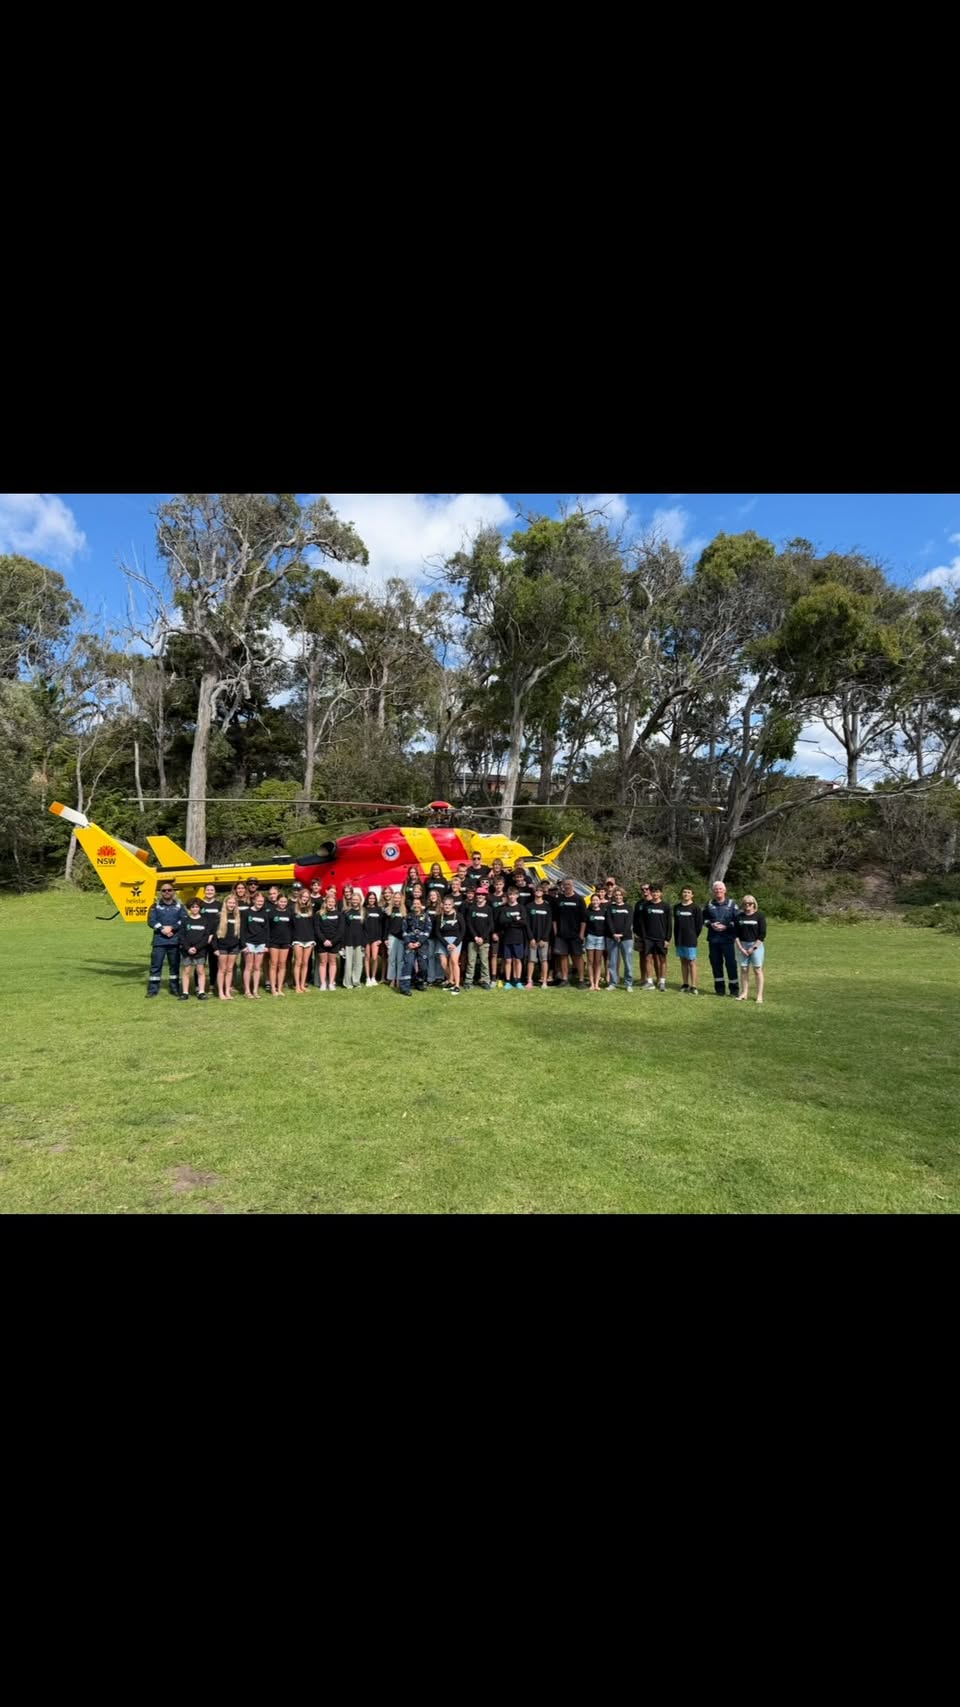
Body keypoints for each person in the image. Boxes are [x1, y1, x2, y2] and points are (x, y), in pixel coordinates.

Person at [146, 880, 186, 997]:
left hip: (174, 941)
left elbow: (184, 919)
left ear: (173, 892)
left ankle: (174, 989)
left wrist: (172, 928)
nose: (167, 892)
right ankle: (153, 990)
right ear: (161, 893)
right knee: (156, 966)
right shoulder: (155, 906)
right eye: (164, 890)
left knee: (174, 966)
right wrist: (162, 929)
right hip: (159, 941)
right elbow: (151, 920)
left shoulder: (180, 906)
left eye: (169, 890)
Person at [703, 880, 740, 997]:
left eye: (720, 889)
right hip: (713, 940)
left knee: (731, 964)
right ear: (713, 891)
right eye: (716, 889)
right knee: (716, 963)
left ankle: (734, 990)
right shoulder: (709, 904)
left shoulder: (732, 904)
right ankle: (720, 989)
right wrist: (711, 924)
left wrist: (726, 926)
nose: (718, 891)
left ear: (725, 890)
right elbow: (703, 920)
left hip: (728, 939)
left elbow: (738, 921)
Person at [553, 879, 587, 987]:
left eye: (569, 884)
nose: (567, 886)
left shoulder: (579, 899)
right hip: (562, 934)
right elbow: (554, 918)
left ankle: (581, 980)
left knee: (578, 956)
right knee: (563, 957)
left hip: (575, 934)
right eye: (565, 884)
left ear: (573, 885)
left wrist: (581, 934)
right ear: (562, 886)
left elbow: (584, 919)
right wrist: (555, 932)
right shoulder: (559, 899)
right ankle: (565, 979)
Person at [179, 897, 212, 1000]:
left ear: (199, 908)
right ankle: (185, 993)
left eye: (197, 907)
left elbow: (206, 937)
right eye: (192, 907)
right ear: (189, 908)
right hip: (186, 951)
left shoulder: (205, 921)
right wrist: (188, 948)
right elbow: (182, 936)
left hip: (200, 950)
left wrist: (197, 948)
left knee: (201, 971)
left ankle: (201, 992)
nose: (195, 909)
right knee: (186, 971)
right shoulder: (185, 921)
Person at [640, 884, 672, 990]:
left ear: (661, 893)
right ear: (650, 893)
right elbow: (642, 923)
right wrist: (644, 937)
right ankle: (649, 982)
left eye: (657, 891)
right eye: (653, 891)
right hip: (648, 938)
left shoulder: (666, 906)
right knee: (648, 958)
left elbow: (669, 924)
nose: (655, 893)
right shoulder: (646, 906)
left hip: (661, 938)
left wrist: (667, 938)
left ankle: (662, 982)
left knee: (662, 959)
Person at [736, 895, 767, 1002]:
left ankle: (759, 995)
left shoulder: (759, 916)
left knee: (757, 969)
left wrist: (753, 948)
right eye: (745, 904)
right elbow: (735, 935)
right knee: (744, 969)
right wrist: (741, 948)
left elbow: (762, 934)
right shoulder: (739, 916)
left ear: (754, 904)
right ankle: (744, 993)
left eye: (750, 903)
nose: (747, 905)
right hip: (742, 945)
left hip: (756, 945)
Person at [673, 887, 703, 994]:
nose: (686, 894)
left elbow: (699, 925)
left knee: (691, 962)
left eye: (688, 892)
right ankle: (685, 983)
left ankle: (693, 986)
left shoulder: (696, 908)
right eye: (684, 892)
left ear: (692, 895)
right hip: (680, 938)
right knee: (683, 961)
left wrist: (693, 936)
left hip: (690, 939)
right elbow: (676, 924)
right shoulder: (676, 907)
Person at [498, 886, 529, 989]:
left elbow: (524, 922)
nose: (511, 897)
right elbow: (502, 921)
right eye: (510, 895)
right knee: (508, 960)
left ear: (517, 896)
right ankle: (507, 981)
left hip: (518, 937)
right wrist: (515, 919)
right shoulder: (504, 908)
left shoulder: (521, 907)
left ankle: (518, 980)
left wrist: (510, 920)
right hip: (507, 937)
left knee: (517, 960)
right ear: (507, 896)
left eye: (513, 895)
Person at [241, 889, 270, 998]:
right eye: (258, 901)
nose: (260, 903)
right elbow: (242, 930)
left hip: (261, 944)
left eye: (262, 901)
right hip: (249, 943)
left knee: (258, 967)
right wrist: (243, 945)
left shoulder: (264, 913)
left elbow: (267, 930)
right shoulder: (246, 913)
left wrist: (266, 945)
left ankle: (255, 991)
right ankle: (247, 991)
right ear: (254, 900)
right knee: (249, 967)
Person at [466, 886, 494, 990]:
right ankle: (468, 981)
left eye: (482, 895)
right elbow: (469, 923)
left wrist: (482, 937)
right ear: (476, 896)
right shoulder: (471, 908)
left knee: (484, 962)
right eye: (478, 895)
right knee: (471, 961)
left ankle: (485, 980)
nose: (480, 896)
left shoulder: (489, 909)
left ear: (486, 896)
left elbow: (490, 925)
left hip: (484, 940)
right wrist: (475, 937)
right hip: (472, 940)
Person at [398, 898, 428, 995]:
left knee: (423, 966)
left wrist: (419, 942)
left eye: (418, 903)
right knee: (409, 964)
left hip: (421, 945)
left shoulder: (426, 916)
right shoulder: (407, 916)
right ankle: (404, 988)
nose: (416, 905)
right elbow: (404, 931)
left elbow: (428, 931)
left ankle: (419, 983)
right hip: (409, 944)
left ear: (421, 905)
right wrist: (408, 943)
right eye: (414, 903)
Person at [525, 887, 553, 989]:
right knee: (531, 960)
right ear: (534, 892)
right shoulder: (529, 906)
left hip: (544, 939)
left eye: (541, 890)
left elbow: (549, 923)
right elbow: (526, 924)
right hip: (532, 939)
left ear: (543, 892)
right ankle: (529, 981)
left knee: (544, 960)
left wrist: (544, 938)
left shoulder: (547, 907)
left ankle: (544, 981)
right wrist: (531, 938)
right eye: (537, 890)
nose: (538, 892)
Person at [606, 887, 633, 991]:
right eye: (616, 895)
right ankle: (613, 982)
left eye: (620, 895)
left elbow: (629, 922)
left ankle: (628, 983)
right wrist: (614, 934)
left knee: (628, 961)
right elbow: (609, 921)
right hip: (612, 938)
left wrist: (622, 934)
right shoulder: (610, 907)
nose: (618, 897)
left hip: (626, 939)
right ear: (614, 896)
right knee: (612, 961)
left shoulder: (629, 907)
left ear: (623, 896)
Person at [216, 893, 242, 999]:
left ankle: (227, 992)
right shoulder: (219, 916)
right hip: (222, 946)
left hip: (234, 947)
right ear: (225, 903)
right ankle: (221, 992)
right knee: (222, 969)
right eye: (229, 902)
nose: (231, 904)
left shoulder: (237, 916)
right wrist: (215, 948)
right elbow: (213, 934)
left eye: (233, 903)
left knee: (230, 969)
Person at [267, 891, 294, 996]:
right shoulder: (271, 913)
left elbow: (291, 928)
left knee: (282, 965)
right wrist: (267, 943)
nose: (283, 903)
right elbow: (267, 929)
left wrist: (290, 940)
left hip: (285, 942)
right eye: (281, 901)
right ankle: (273, 988)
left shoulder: (289, 913)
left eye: (285, 902)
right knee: (274, 964)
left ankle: (280, 988)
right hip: (274, 942)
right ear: (277, 902)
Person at [315, 893, 343, 991]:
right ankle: (323, 983)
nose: (330, 903)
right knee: (323, 962)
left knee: (332, 962)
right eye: (329, 902)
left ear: (335, 903)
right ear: (325, 902)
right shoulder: (319, 913)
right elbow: (317, 928)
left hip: (334, 943)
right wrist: (324, 940)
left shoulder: (339, 914)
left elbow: (340, 930)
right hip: (322, 942)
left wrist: (333, 941)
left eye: (332, 902)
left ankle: (331, 983)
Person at [436, 894, 464, 992]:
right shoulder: (440, 917)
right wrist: (446, 944)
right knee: (443, 963)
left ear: (452, 905)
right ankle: (450, 981)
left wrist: (455, 944)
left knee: (454, 961)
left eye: (449, 904)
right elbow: (437, 932)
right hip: (443, 941)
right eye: (445, 904)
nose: (447, 906)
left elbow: (463, 930)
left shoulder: (459, 916)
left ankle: (457, 985)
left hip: (455, 941)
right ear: (443, 905)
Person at [291, 891, 316, 993]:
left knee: (306, 963)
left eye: (307, 897)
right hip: (298, 939)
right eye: (303, 896)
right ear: (300, 896)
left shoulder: (310, 909)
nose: (305, 898)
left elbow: (313, 925)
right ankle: (297, 986)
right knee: (298, 962)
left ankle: (302, 985)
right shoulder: (293, 908)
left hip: (309, 939)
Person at [585, 891, 610, 991]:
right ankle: (591, 983)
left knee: (598, 961)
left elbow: (607, 925)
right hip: (590, 938)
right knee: (590, 961)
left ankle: (597, 983)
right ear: (591, 901)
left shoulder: (604, 912)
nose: (595, 902)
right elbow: (584, 925)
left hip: (601, 938)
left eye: (597, 900)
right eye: (593, 900)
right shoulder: (588, 912)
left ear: (600, 901)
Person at [340, 894, 366, 988]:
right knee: (348, 964)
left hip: (359, 942)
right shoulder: (346, 912)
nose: (355, 901)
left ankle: (356, 981)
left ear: (360, 901)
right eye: (353, 899)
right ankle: (347, 983)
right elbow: (343, 928)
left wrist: (364, 943)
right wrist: (342, 944)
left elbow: (364, 929)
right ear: (351, 900)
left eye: (357, 899)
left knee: (358, 963)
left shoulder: (363, 912)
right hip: (348, 941)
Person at [199, 883, 220, 989]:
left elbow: (221, 922)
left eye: (212, 890)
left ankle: (212, 984)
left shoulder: (219, 905)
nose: (209, 892)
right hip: (201, 938)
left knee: (213, 963)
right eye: (207, 890)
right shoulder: (200, 904)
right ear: (204, 891)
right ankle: (198, 986)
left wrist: (212, 935)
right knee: (200, 962)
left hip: (214, 939)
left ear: (215, 892)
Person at [384, 890, 406, 989]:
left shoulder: (404, 911)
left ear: (401, 899)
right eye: (395, 898)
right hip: (391, 937)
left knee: (400, 960)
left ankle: (399, 979)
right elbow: (386, 926)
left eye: (399, 898)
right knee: (392, 959)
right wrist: (385, 938)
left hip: (401, 938)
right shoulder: (389, 910)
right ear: (393, 899)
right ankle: (392, 979)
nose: (397, 899)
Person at [632, 883, 653, 987]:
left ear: (650, 890)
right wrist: (635, 932)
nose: (644, 891)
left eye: (646, 889)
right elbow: (635, 919)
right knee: (641, 956)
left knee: (652, 957)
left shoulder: (654, 903)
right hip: (640, 934)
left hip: (652, 935)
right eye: (642, 889)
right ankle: (643, 978)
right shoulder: (639, 904)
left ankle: (656, 979)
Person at [363, 890, 384, 986]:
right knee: (367, 957)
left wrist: (380, 938)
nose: (371, 900)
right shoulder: (364, 909)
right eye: (370, 898)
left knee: (374, 958)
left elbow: (381, 925)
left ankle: (373, 977)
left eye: (373, 898)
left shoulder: (379, 909)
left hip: (376, 937)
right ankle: (367, 978)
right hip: (366, 937)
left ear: (375, 899)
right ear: (367, 899)